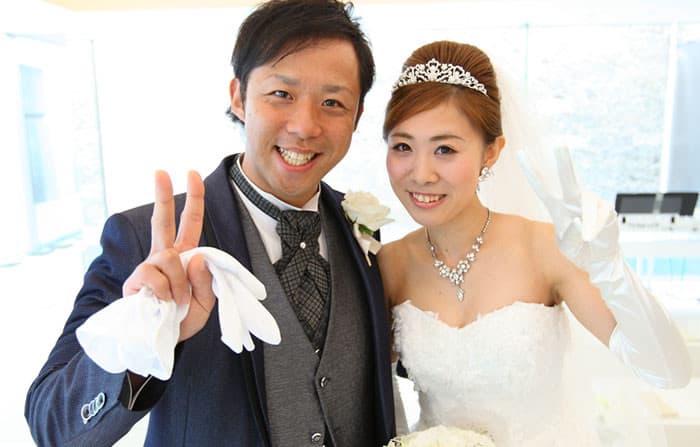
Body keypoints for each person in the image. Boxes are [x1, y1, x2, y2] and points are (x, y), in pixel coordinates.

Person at [25, 1, 396, 446]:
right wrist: (145, 336)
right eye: (282, 94)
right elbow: (53, 427)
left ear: (356, 117)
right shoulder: (145, 239)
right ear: (239, 97)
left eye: (332, 102)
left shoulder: (362, 230)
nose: (305, 126)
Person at [379, 40, 691, 446]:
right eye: (403, 146)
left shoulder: (545, 249)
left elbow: (669, 372)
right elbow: (371, 396)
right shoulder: (390, 264)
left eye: (445, 149)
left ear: (492, 152)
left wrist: (610, 270)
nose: (421, 173)